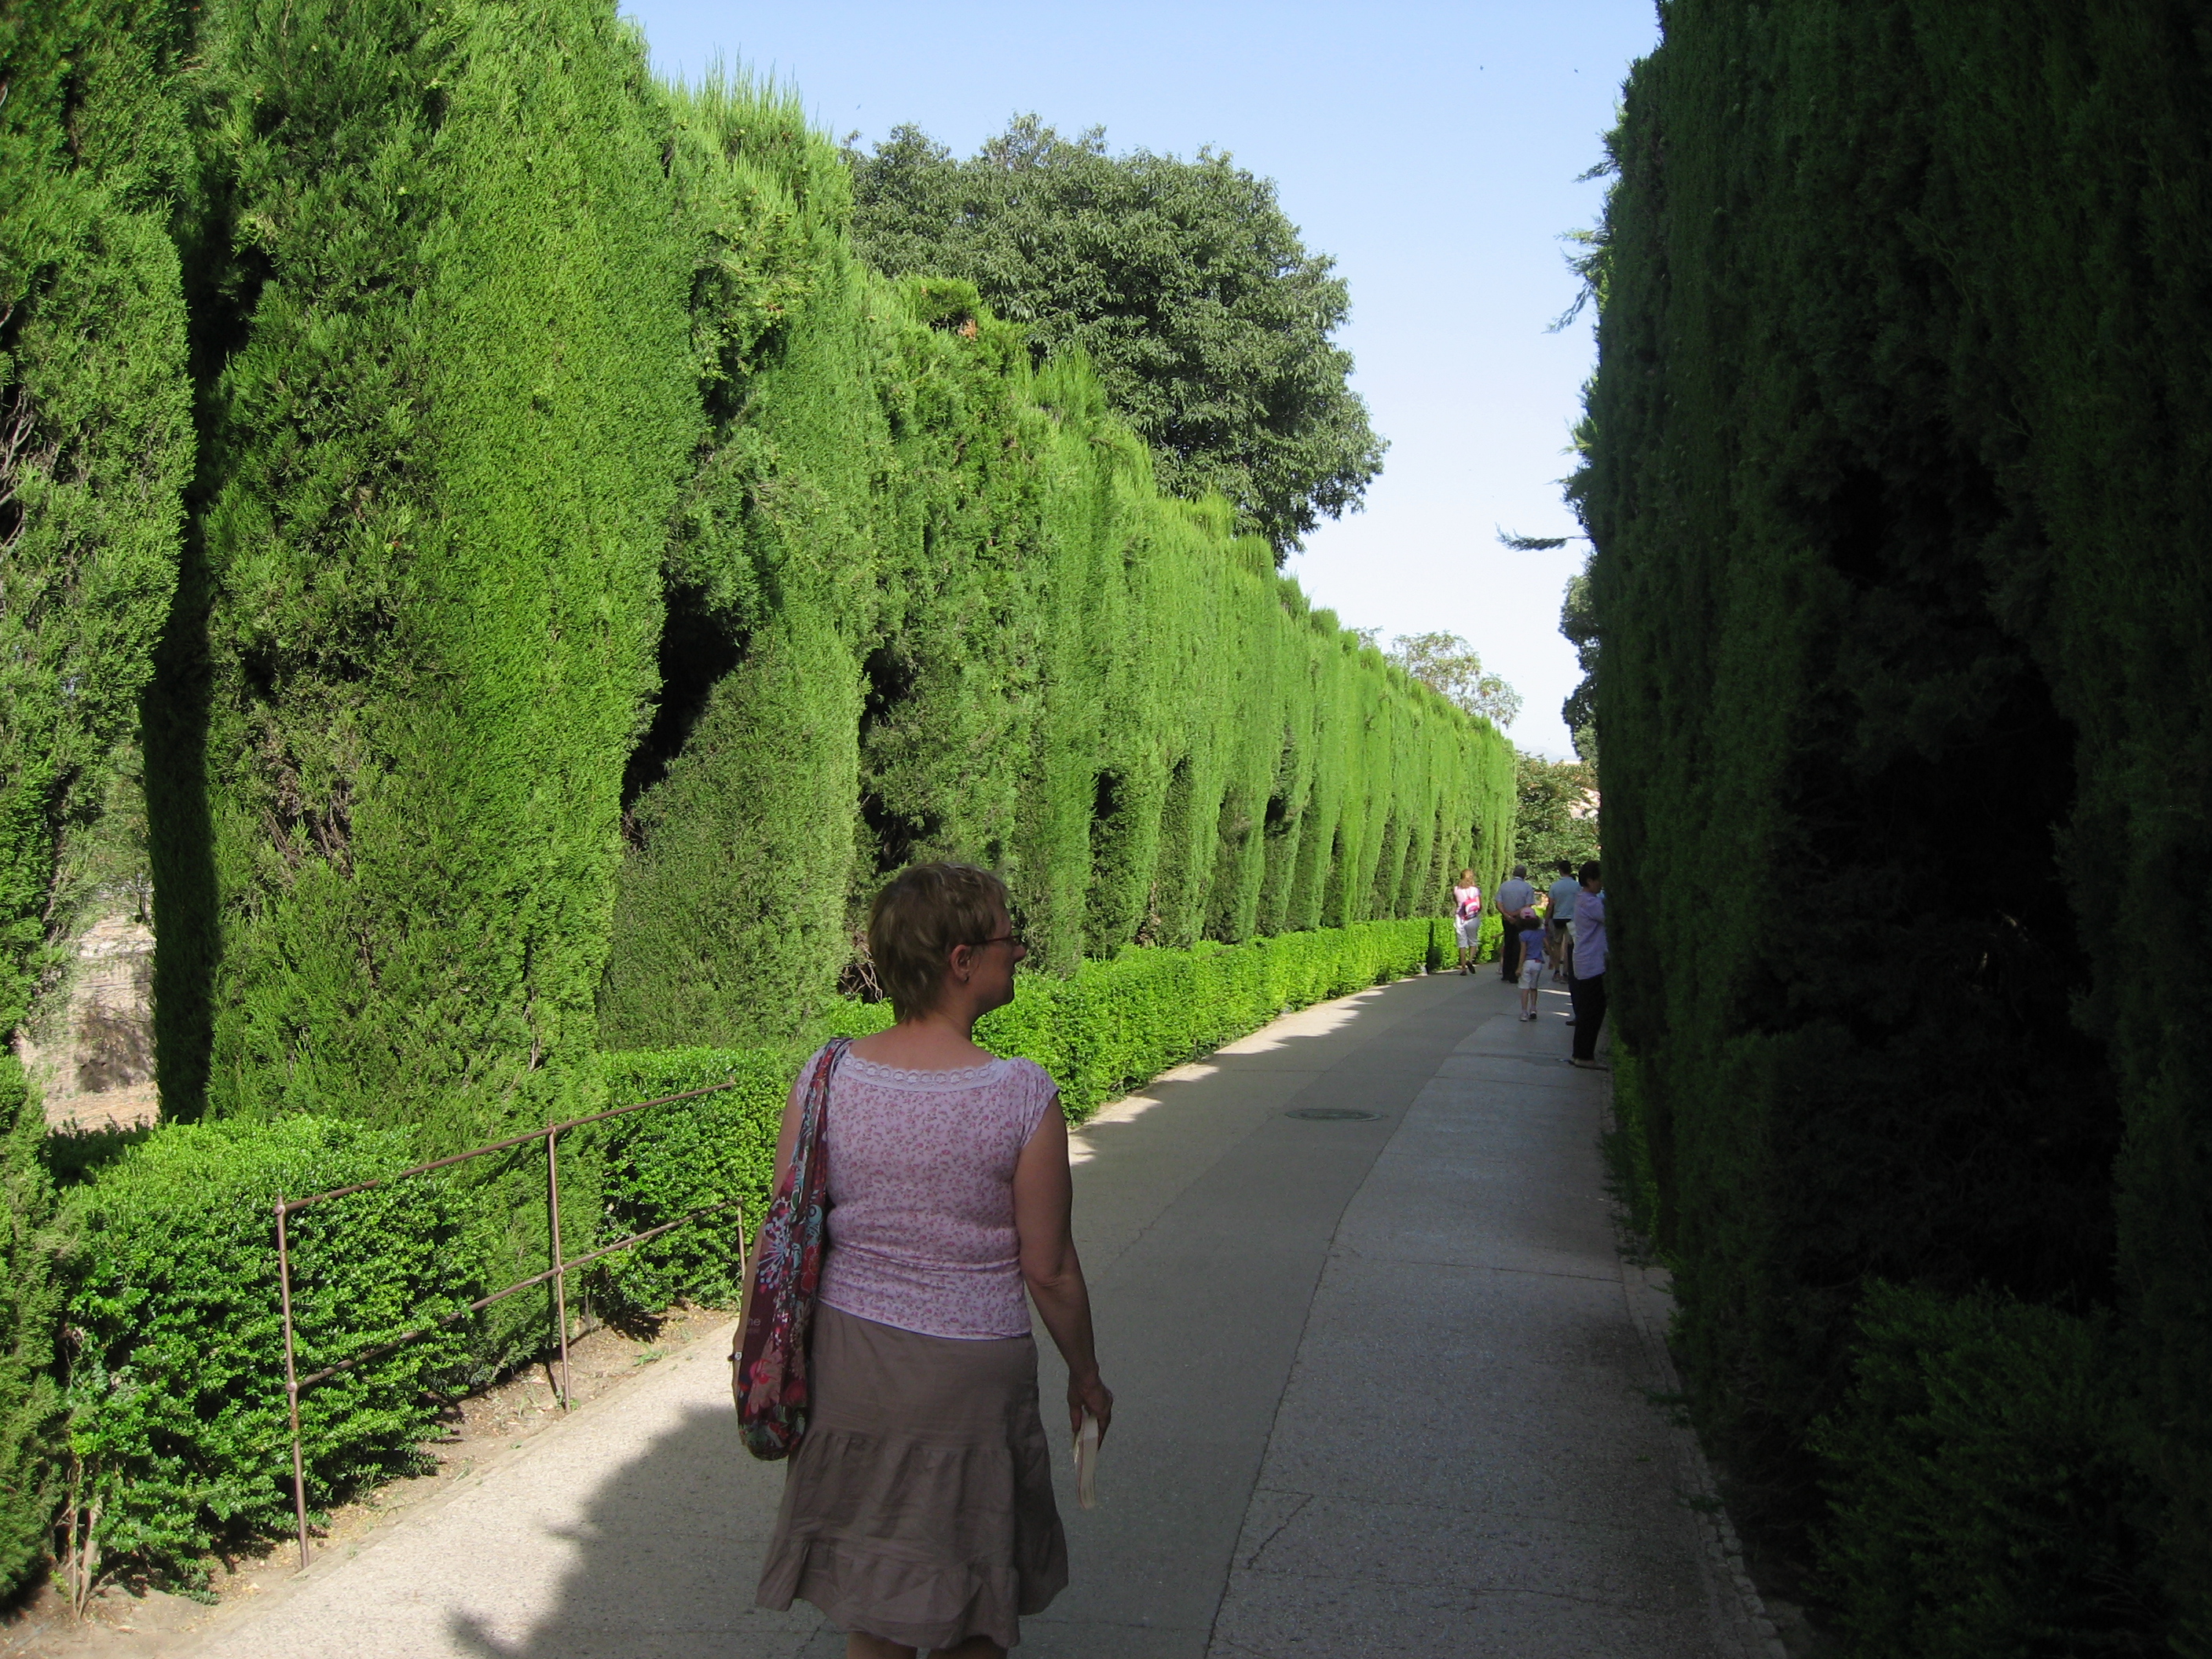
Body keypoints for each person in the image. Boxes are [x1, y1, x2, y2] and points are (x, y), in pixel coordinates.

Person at [755, 862, 1113, 1658]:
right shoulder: (1021, 1096)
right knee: (973, 1602)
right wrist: (1085, 1375)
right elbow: (1049, 1269)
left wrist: (762, 1355)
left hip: (853, 1369)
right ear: (961, 961)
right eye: (1007, 938)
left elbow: (781, 1232)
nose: (1017, 951)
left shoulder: (826, 1076)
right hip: (970, 1383)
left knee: (877, 1609)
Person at [1567, 859, 1607, 1067]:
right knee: (1593, 1011)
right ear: (1590, 881)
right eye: (1600, 880)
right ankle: (1585, 1056)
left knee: (1586, 1011)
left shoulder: (1583, 899)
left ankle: (1579, 1053)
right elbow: (1610, 916)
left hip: (1585, 959)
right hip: (1592, 962)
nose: (1602, 883)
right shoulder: (1591, 902)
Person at [1494, 864, 1536, 981]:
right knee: (1518, 945)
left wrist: (1506, 915)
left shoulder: (1504, 886)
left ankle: (1505, 973)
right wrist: (1516, 914)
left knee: (1508, 943)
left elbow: (1498, 903)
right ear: (1525, 875)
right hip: (1521, 920)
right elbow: (1528, 905)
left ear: (1514, 873)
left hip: (1506, 919)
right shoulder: (1527, 887)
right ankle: (1514, 973)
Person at [1547, 860, 1579, 982]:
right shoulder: (1577, 886)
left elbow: (1550, 905)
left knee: (1557, 945)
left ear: (1560, 870)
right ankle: (1566, 973)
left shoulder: (1555, 886)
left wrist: (1546, 920)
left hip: (1558, 917)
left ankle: (1556, 972)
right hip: (1572, 919)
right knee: (1568, 946)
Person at [1449, 869, 1484, 973]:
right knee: (1473, 941)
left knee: (1462, 943)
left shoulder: (1456, 889)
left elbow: (1456, 903)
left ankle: (1463, 968)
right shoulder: (1475, 890)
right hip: (1472, 918)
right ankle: (1470, 960)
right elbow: (1479, 906)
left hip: (1460, 918)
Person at [1516, 917, 1546, 1021]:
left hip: (1527, 962)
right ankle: (1533, 1009)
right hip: (1538, 963)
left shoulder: (1523, 935)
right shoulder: (1541, 933)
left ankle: (1524, 1012)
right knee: (1534, 987)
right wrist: (1553, 959)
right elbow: (1547, 945)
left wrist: (1519, 967)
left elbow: (1523, 951)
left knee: (1525, 989)